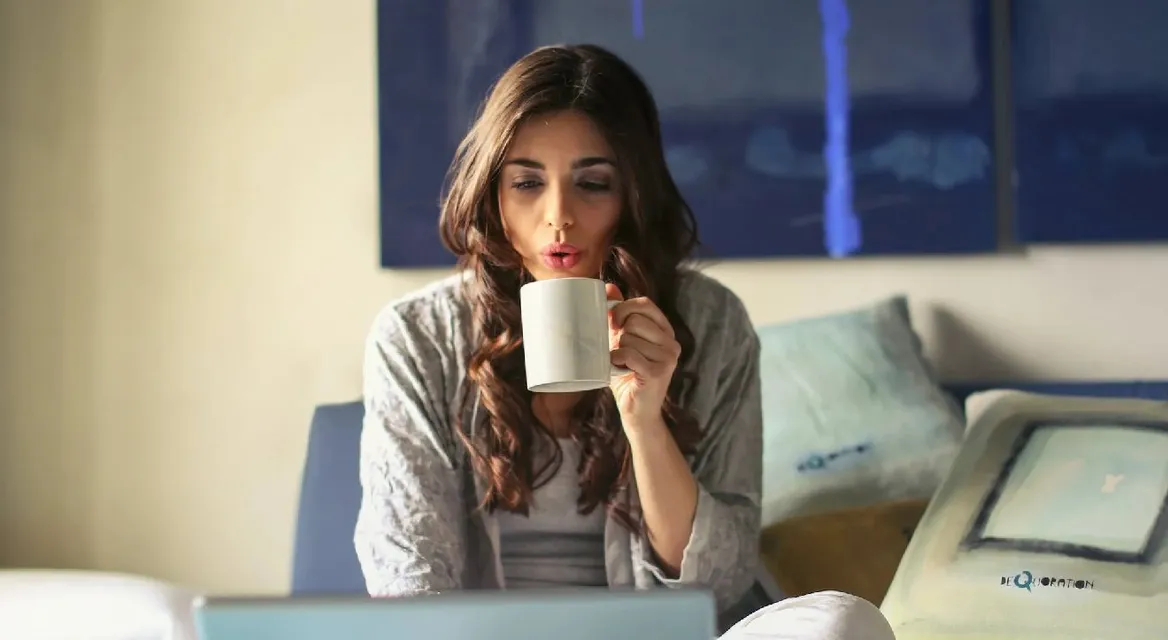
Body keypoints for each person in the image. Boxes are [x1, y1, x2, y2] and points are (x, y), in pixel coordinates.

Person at [354, 43, 894, 639]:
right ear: (493, 195)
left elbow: (717, 586)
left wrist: (645, 421)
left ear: (633, 195)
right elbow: (406, 576)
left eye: (593, 183)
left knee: (842, 623)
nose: (559, 217)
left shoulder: (711, 323)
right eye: (527, 182)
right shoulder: (417, 338)